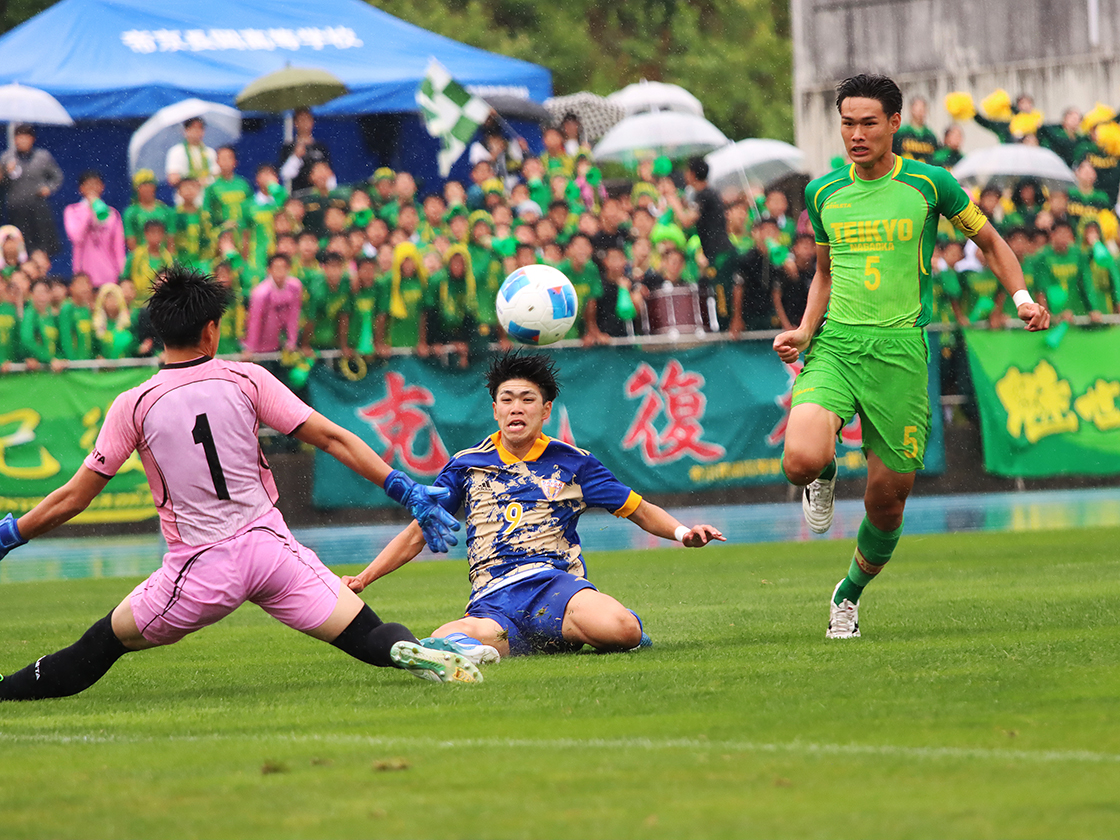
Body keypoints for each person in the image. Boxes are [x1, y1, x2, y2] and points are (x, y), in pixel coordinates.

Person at [0, 265, 479, 702]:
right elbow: (333, 438)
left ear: (160, 330)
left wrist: (13, 534)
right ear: (211, 330)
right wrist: (407, 490)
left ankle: (5, 692)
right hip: (271, 549)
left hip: (199, 568)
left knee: (101, 643)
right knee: (363, 630)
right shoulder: (246, 379)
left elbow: (74, 498)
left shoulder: (135, 403)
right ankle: (408, 649)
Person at [772, 74, 1049, 639]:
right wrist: (804, 331)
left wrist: (1021, 298)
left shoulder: (931, 184)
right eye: (847, 122)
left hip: (901, 354)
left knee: (888, 502)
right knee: (799, 458)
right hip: (839, 346)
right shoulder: (822, 192)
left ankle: (847, 594)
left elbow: (991, 243)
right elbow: (825, 273)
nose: (855, 133)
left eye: (868, 122)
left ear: (895, 124)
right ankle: (822, 472)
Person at [343, 350, 724, 661]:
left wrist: (683, 532)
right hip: (493, 601)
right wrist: (363, 578)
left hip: (556, 588)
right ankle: (491, 649)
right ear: (495, 409)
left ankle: (602, 631)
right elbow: (418, 533)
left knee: (622, 630)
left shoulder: (574, 463)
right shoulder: (466, 465)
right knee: (439, 640)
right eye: (507, 400)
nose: (516, 409)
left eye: (527, 400)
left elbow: (639, 509)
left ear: (546, 410)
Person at [0, 124, 63, 254]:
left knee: (43, 245)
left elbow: (57, 176)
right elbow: (2, 185)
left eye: (25, 137)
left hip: (37, 207)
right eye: (19, 137)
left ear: (32, 139)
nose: (22, 141)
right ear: (15, 139)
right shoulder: (6, 158)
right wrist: (6, 172)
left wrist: (49, 188)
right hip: (16, 209)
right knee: (21, 246)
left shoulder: (43, 157)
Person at [64, 170, 125, 289]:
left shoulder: (112, 214)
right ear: (81, 188)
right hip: (84, 275)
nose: (92, 188)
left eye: (96, 184)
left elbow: (118, 247)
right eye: (89, 185)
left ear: (102, 187)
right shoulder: (72, 211)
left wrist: (121, 273)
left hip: (108, 275)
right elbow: (76, 238)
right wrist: (89, 211)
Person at [277, 107, 332, 192]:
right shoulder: (288, 147)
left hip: (319, 193)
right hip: (299, 193)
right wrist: (296, 156)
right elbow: (285, 174)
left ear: (312, 122)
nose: (305, 124)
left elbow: (329, 173)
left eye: (307, 120)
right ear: (295, 123)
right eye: (301, 120)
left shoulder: (321, 147)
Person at [165, 116, 218, 190]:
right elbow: (173, 179)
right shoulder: (176, 151)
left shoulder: (210, 152)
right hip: (186, 196)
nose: (197, 131)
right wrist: (197, 181)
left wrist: (206, 181)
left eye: (200, 128)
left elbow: (217, 176)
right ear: (185, 131)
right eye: (194, 128)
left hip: (208, 195)